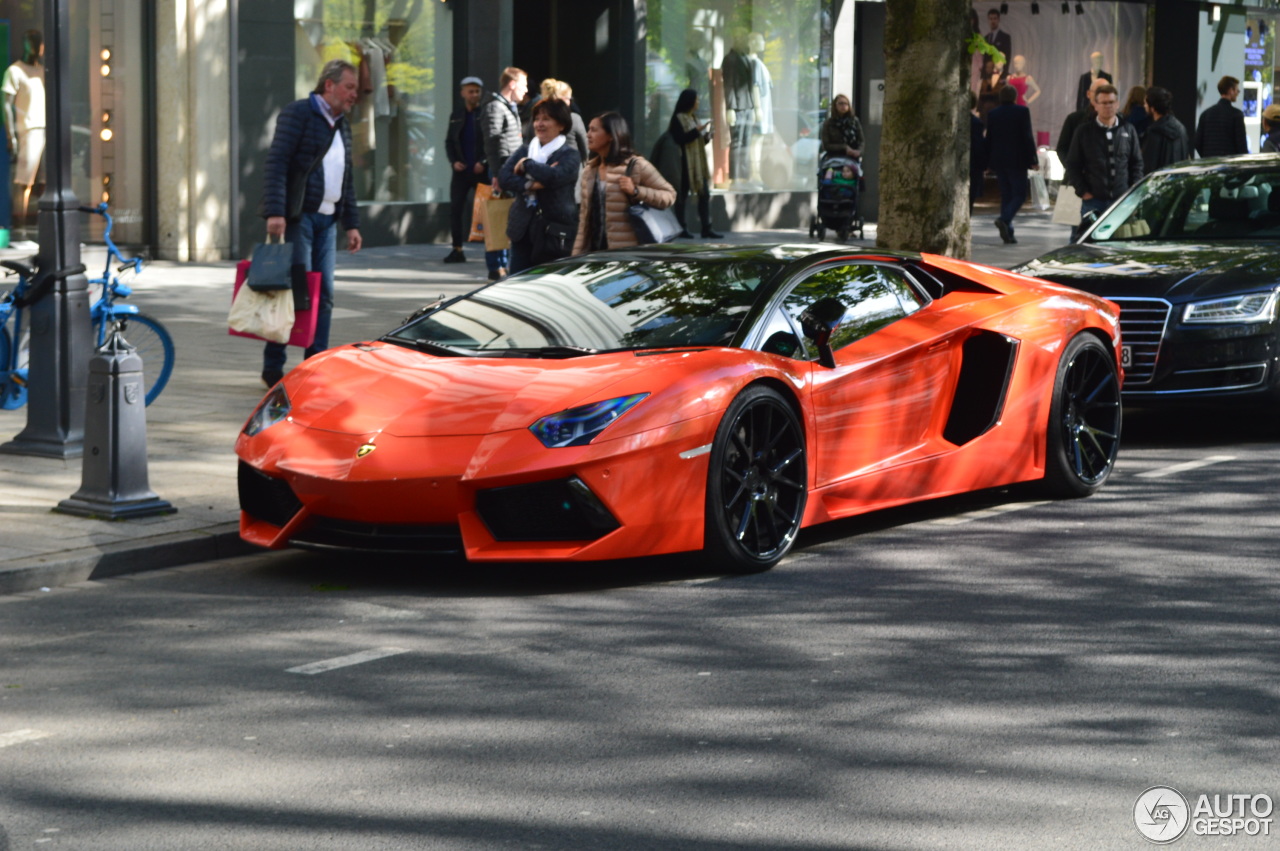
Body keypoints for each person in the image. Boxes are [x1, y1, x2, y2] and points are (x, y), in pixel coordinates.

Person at [572, 112, 675, 254]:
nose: (588, 134)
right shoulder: (590, 171)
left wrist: (637, 191)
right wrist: (576, 256)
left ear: (610, 135)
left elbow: (669, 195)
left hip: (627, 256)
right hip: (595, 254)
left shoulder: (636, 165)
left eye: (594, 130)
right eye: (588, 129)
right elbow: (584, 224)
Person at [497, 98, 581, 275]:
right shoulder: (525, 149)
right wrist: (530, 184)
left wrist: (527, 164)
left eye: (546, 119)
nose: (539, 124)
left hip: (555, 233)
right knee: (517, 283)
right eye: (537, 119)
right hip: (522, 228)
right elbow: (504, 177)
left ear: (561, 124)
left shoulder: (570, 154)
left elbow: (554, 177)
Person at [1065, 83, 1143, 236]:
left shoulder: (1128, 129)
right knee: (1089, 243)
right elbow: (1072, 164)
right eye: (1104, 103)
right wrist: (1083, 191)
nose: (1108, 106)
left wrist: (1133, 191)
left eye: (1111, 102)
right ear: (1095, 105)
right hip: (1093, 200)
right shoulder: (1084, 131)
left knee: (1120, 243)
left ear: (1118, 104)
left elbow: (1136, 163)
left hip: (1122, 200)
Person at [479, 66, 529, 280]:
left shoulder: (508, 106)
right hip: (501, 169)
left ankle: (502, 265)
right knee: (497, 215)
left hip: (509, 169)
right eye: (524, 85)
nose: (526, 90)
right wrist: (498, 173)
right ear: (512, 84)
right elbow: (492, 142)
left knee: (506, 215)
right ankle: (496, 267)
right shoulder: (495, 107)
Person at [2, 31, 45, 234]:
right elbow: (6, 105)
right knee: (23, 182)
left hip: (47, 130)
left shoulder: (43, 71)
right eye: (32, 42)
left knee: (44, 182)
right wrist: (11, 135)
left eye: (39, 43)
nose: (37, 47)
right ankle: (19, 228)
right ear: (25, 44)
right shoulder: (15, 71)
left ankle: (39, 227)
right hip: (29, 130)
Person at [984, 85, 1038, 245]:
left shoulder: (993, 113)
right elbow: (1027, 136)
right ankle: (1004, 219)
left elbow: (990, 138)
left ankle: (1008, 233)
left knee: (1006, 195)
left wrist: (987, 162)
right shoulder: (1022, 112)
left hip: (999, 159)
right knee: (1019, 194)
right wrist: (1033, 159)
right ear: (1015, 97)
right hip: (1017, 159)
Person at [443, 76, 487, 264]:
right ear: (463, 93)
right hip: (461, 171)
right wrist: (454, 162)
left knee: (486, 211)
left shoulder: (485, 114)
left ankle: (491, 250)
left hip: (480, 171)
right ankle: (457, 249)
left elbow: (490, 142)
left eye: (477, 91)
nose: (474, 95)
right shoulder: (457, 115)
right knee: (456, 209)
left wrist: (483, 162)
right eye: (470, 91)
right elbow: (449, 142)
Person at [668, 89, 721, 239]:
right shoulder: (678, 118)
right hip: (684, 163)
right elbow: (680, 139)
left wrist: (706, 137)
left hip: (697, 164)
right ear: (689, 101)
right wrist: (697, 131)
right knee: (682, 196)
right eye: (696, 100)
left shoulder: (693, 117)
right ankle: (681, 228)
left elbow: (696, 142)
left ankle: (706, 228)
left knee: (704, 194)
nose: (698, 102)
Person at [1141, 86, 1191, 174]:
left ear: (1152, 108)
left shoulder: (1154, 132)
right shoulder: (1181, 128)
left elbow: (1149, 166)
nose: (1144, 106)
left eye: (1145, 103)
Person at [1195, 75, 1248, 157]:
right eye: (1237, 90)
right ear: (1231, 90)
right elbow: (1241, 147)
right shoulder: (1236, 115)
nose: (1237, 93)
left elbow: (1197, 143)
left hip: (1209, 164)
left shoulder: (1205, 114)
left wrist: (1207, 157)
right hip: (1229, 165)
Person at [821, 93, 864, 162]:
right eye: (840, 103)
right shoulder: (829, 123)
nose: (843, 106)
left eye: (846, 103)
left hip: (852, 158)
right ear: (835, 106)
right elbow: (826, 145)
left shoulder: (854, 121)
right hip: (834, 158)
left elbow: (861, 140)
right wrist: (844, 147)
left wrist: (859, 151)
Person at [969, 91, 987, 212]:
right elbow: (978, 146)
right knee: (969, 201)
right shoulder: (975, 123)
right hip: (972, 166)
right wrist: (983, 165)